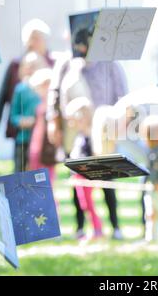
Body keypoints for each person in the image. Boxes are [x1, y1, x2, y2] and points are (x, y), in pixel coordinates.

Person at [46, 28, 128, 240]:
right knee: (77, 179)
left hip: (103, 130)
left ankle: (115, 227)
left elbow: (123, 95)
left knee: (107, 179)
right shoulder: (66, 63)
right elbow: (54, 93)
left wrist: (120, 121)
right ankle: (81, 227)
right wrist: (53, 121)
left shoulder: (109, 63)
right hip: (76, 130)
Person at [66, 97, 103, 240]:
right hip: (77, 175)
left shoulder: (90, 134)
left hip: (85, 175)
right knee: (84, 204)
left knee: (88, 204)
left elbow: (93, 154)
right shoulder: (80, 135)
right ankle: (93, 229)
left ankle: (97, 229)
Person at [9, 52, 47, 172]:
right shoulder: (21, 88)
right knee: (20, 174)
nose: (31, 69)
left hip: (41, 140)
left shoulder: (46, 86)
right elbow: (13, 116)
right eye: (29, 65)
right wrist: (22, 121)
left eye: (35, 65)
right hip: (23, 139)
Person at [28, 68, 56, 185]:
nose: (37, 91)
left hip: (45, 146)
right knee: (35, 179)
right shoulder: (42, 101)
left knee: (46, 180)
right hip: (37, 143)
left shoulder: (51, 102)